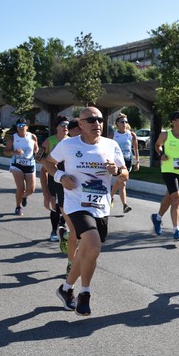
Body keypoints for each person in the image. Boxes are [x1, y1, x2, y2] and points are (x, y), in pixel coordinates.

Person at [44, 107, 128, 316]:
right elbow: (48, 163)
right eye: (91, 120)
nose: (96, 123)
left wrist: (117, 171)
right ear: (80, 124)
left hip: (101, 205)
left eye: (99, 120)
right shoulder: (68, 145)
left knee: (88, 251)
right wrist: (61, 177)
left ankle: (65, 289)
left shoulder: (111, 145)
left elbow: (125, 172)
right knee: (92, 245)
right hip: (77, 204)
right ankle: (85, 293)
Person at [151, 111, 179, 241]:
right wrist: (161, 154)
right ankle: (177, 231)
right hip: (168, 170)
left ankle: (157, 218)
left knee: (170, 197)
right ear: (173, 122)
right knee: (176, 198)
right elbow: (157, 145)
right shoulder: (166, 135)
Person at [37, 115, 69, 242]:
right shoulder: (50, 141)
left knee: (67, 204)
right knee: (56, 205)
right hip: (54, 177)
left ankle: (63, 225)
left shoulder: (71, 141)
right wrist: (50, 163)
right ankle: (54, 230)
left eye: (67, 124)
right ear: (56, 127)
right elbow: (38, 157)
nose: (65, 127)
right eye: (62, 125)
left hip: (67, 177)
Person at [3, 118, 39, 216]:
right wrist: (14, 152)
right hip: (17, 165)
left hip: (30, 164)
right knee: (20, 187)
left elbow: (36, 149)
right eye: (18, 126)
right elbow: (5, 152)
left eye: (23, 125)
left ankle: (24, 196)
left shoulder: (33, 137)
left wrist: (37, 151)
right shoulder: (13, 138)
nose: (21, 128)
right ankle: (18, 207)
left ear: (27, 127)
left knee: (31, 189)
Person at [109, 113, 139, 213]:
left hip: (128, 161)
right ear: (117, 123)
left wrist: (137, 161)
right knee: (122, 183)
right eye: (122, 122)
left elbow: (135, 148)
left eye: (126, 122)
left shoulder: (131, 134)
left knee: (119, 182)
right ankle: (125, 205)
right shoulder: (113, 135)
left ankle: (110, 197)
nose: (124, 123)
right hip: (118, 162)